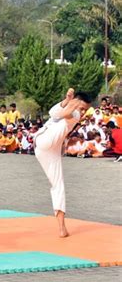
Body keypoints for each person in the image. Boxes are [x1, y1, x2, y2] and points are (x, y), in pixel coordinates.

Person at [34, 88, 92, 238]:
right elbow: (54, 113)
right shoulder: (70, 109)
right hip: (44, 140)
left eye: (86, 110)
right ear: (77, 102)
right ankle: (61, 227)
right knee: (58, 121)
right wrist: (68, 101)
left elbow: (58, 114)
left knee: (58, 185)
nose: (83, 112)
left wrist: (70, 103)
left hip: (50, 150)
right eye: (82, 108)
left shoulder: (76, 114)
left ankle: (62, 228)